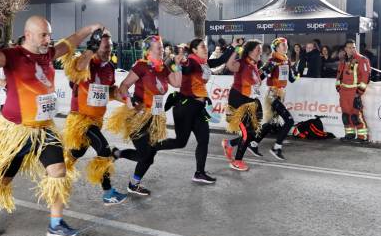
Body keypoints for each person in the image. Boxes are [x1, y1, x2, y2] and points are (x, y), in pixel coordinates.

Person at [0, 16, 103, 236]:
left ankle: (55, 224)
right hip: (15, 131)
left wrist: (90, 28)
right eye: (43, 35)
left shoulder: (49, 53)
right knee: (3, 178)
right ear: (29, 34)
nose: (48, 39)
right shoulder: (12, 55)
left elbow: (71, 41)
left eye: (49, 34)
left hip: (44, 129)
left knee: (58, 171)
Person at [59, 30, 128, 205]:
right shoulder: (86, 63)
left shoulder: (110, 69)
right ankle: (108, 193)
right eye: (105, 48)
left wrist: (127, 100)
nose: (109, 51)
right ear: (96, 47)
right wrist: (90, 50)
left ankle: (55, 174)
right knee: (104, 150)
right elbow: (77, 69)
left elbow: (110, 91)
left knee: (77, 152)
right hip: (80, 119)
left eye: (111, 47)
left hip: (95, 119)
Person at [107, 35, 182, 196]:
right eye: (159, 48)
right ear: (148, 50)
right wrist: (128, 100)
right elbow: (124, 85)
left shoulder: (163, 68)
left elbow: (177, 83)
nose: (163, 50)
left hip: (155, 118)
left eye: (162, 47)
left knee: (149, 156)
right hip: (137, 117)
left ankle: (132, 181)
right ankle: (118, 155)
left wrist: (178, 65)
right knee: (145, 154)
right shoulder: (141, 66)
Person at [155, 37, 237, 183]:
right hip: (186, 107)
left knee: (204, 139)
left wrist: (233, 47)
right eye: (202, 47)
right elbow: (186, 67)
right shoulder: (192, 61)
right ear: (194, 50)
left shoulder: (204, 63)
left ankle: (199, 173)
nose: (205, 48)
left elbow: (220, 60)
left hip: (198, 108)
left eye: (205, 46)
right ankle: (152, 147)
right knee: (181, 142)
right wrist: (180, 62)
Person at [248, 37, 295, 160]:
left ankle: (253, 144)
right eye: (282, 45)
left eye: (286, 44)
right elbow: (260, 75)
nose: (285, 47)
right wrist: (256, 82)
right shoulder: (273, 60)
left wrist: (296, 72)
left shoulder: (286, 60)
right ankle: (276, 147)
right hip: (273, 95)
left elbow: (291, 79)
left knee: (269, 124)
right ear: (276, 48)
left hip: (281, 94)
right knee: (289, 121)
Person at [221, 40, 265, 171]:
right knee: (247, 133)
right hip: (238, 102)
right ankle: (237, 161)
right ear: (250, 51)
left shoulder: (254, 65)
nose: (260, 52)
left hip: (251, 101)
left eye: (261, 49)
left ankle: (229, 144)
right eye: (258, 49)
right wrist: (236, 50)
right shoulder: (241, 63)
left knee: (253, 132)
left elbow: (256, 83)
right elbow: (229, 65)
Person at [336, 39, 371, 142]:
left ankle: (362, 137)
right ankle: (349, 134)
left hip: (354, 91)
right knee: (345, 115)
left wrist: (359, 91)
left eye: (353, 47)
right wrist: (338, 87)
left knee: (356, 115)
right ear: (345, 49)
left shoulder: (362, 59)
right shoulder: (343, 60)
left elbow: (366, 76)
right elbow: (339, 75)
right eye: (349, 47)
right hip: (343, 92)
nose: (352, 49)